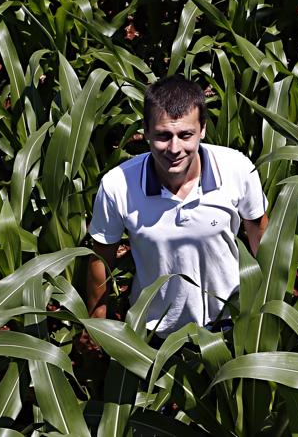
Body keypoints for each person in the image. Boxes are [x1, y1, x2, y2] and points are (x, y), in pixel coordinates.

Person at [85, 75, 269, 336]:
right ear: (145, 131)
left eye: (185, 135)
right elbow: (100, 258)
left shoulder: (236, 169)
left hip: (231, 323)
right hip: (154, 330)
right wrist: (96, 326)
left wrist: (265, 311)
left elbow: (260, 235)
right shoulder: (117, 185)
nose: (174, 148)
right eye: (162, 136)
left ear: (202, 129)